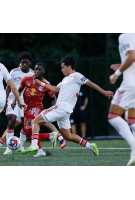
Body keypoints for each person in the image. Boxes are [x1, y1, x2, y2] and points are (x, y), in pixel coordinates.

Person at [22, 55, 113, 156]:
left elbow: (90, 83)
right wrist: (41, 84)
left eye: (63, 67)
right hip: (66, 111)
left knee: (35, 121)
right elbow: (56, 89)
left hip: (61, 107)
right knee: (68, 136)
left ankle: (34, 144)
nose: (61, 70)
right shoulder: (65, 79)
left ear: (69, 67)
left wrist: (103, 92)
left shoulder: (76, 76)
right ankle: (91, 146)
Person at [12, 62, 66, 157]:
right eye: (36, 69)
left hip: (37, 107)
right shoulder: (26, 79)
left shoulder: (46, 84)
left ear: (43, 71)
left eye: (39, 70)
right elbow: (19, 91)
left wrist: (53, 108)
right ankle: (42, 148)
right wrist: (15, 101)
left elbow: (53, 98)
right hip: (26, 108)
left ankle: (50, 139)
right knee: (29, 135)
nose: (37, 71)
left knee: (30, 124)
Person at [108, 33, 135, 166]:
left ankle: (133, 146)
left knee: (113, 116)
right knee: (132, 119)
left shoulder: (125, 36)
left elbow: (131, 56)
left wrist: (116, 74)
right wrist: (122, 65)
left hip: (130, 85)